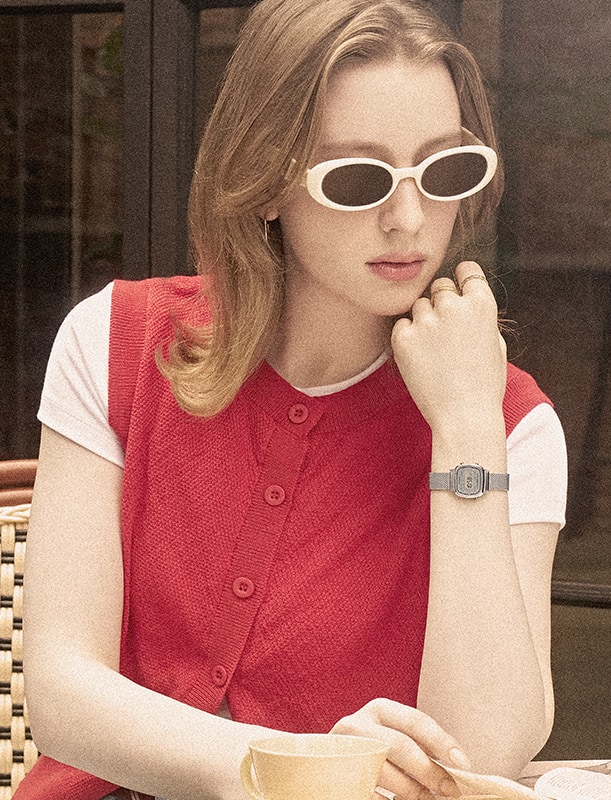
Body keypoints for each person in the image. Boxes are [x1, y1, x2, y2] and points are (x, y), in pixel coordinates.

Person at [18, 1, 567, 799]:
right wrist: (295, 770)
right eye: (358, 178)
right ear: (267, 181)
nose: (409, 219)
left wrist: (466, 429)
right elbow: (63, 694)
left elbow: (478, 755)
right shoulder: (114, 343)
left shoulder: (510, 423)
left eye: (446, 171)